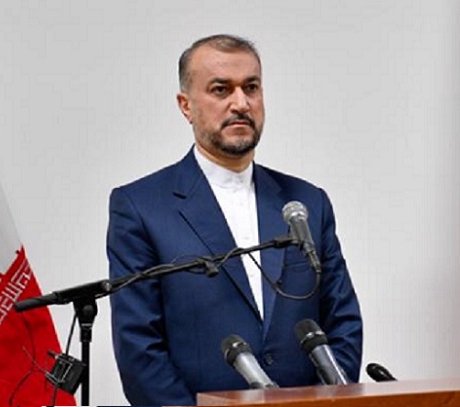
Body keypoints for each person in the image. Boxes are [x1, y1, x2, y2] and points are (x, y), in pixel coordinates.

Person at [106, 34, 363, 406]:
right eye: (221, 89)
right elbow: (139, 349)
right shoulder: (141, 207)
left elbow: (343, 324)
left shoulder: (306, 202)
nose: (240, 103)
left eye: (251, 88)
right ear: (186, 105)